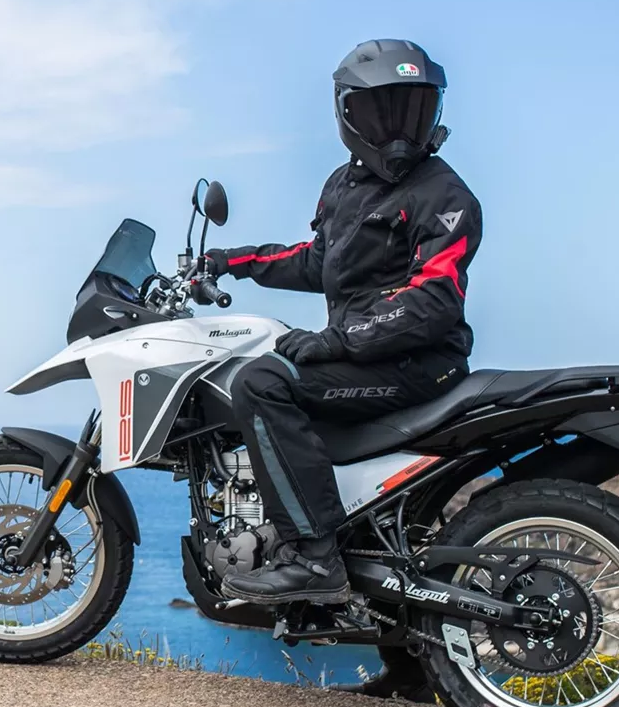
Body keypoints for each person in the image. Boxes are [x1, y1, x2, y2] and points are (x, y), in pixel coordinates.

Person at [202, 39, 483, 611]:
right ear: (350, 114)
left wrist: (336, 339)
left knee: (260, 382)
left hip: (416, 364)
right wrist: (235, 261)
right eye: (385, 112)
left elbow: (434, 298)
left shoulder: (444, 194)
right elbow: (319, 260)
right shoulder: (344, 187)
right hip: (371, 356)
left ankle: (313, 558)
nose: (399, 131)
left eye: (411, 111)